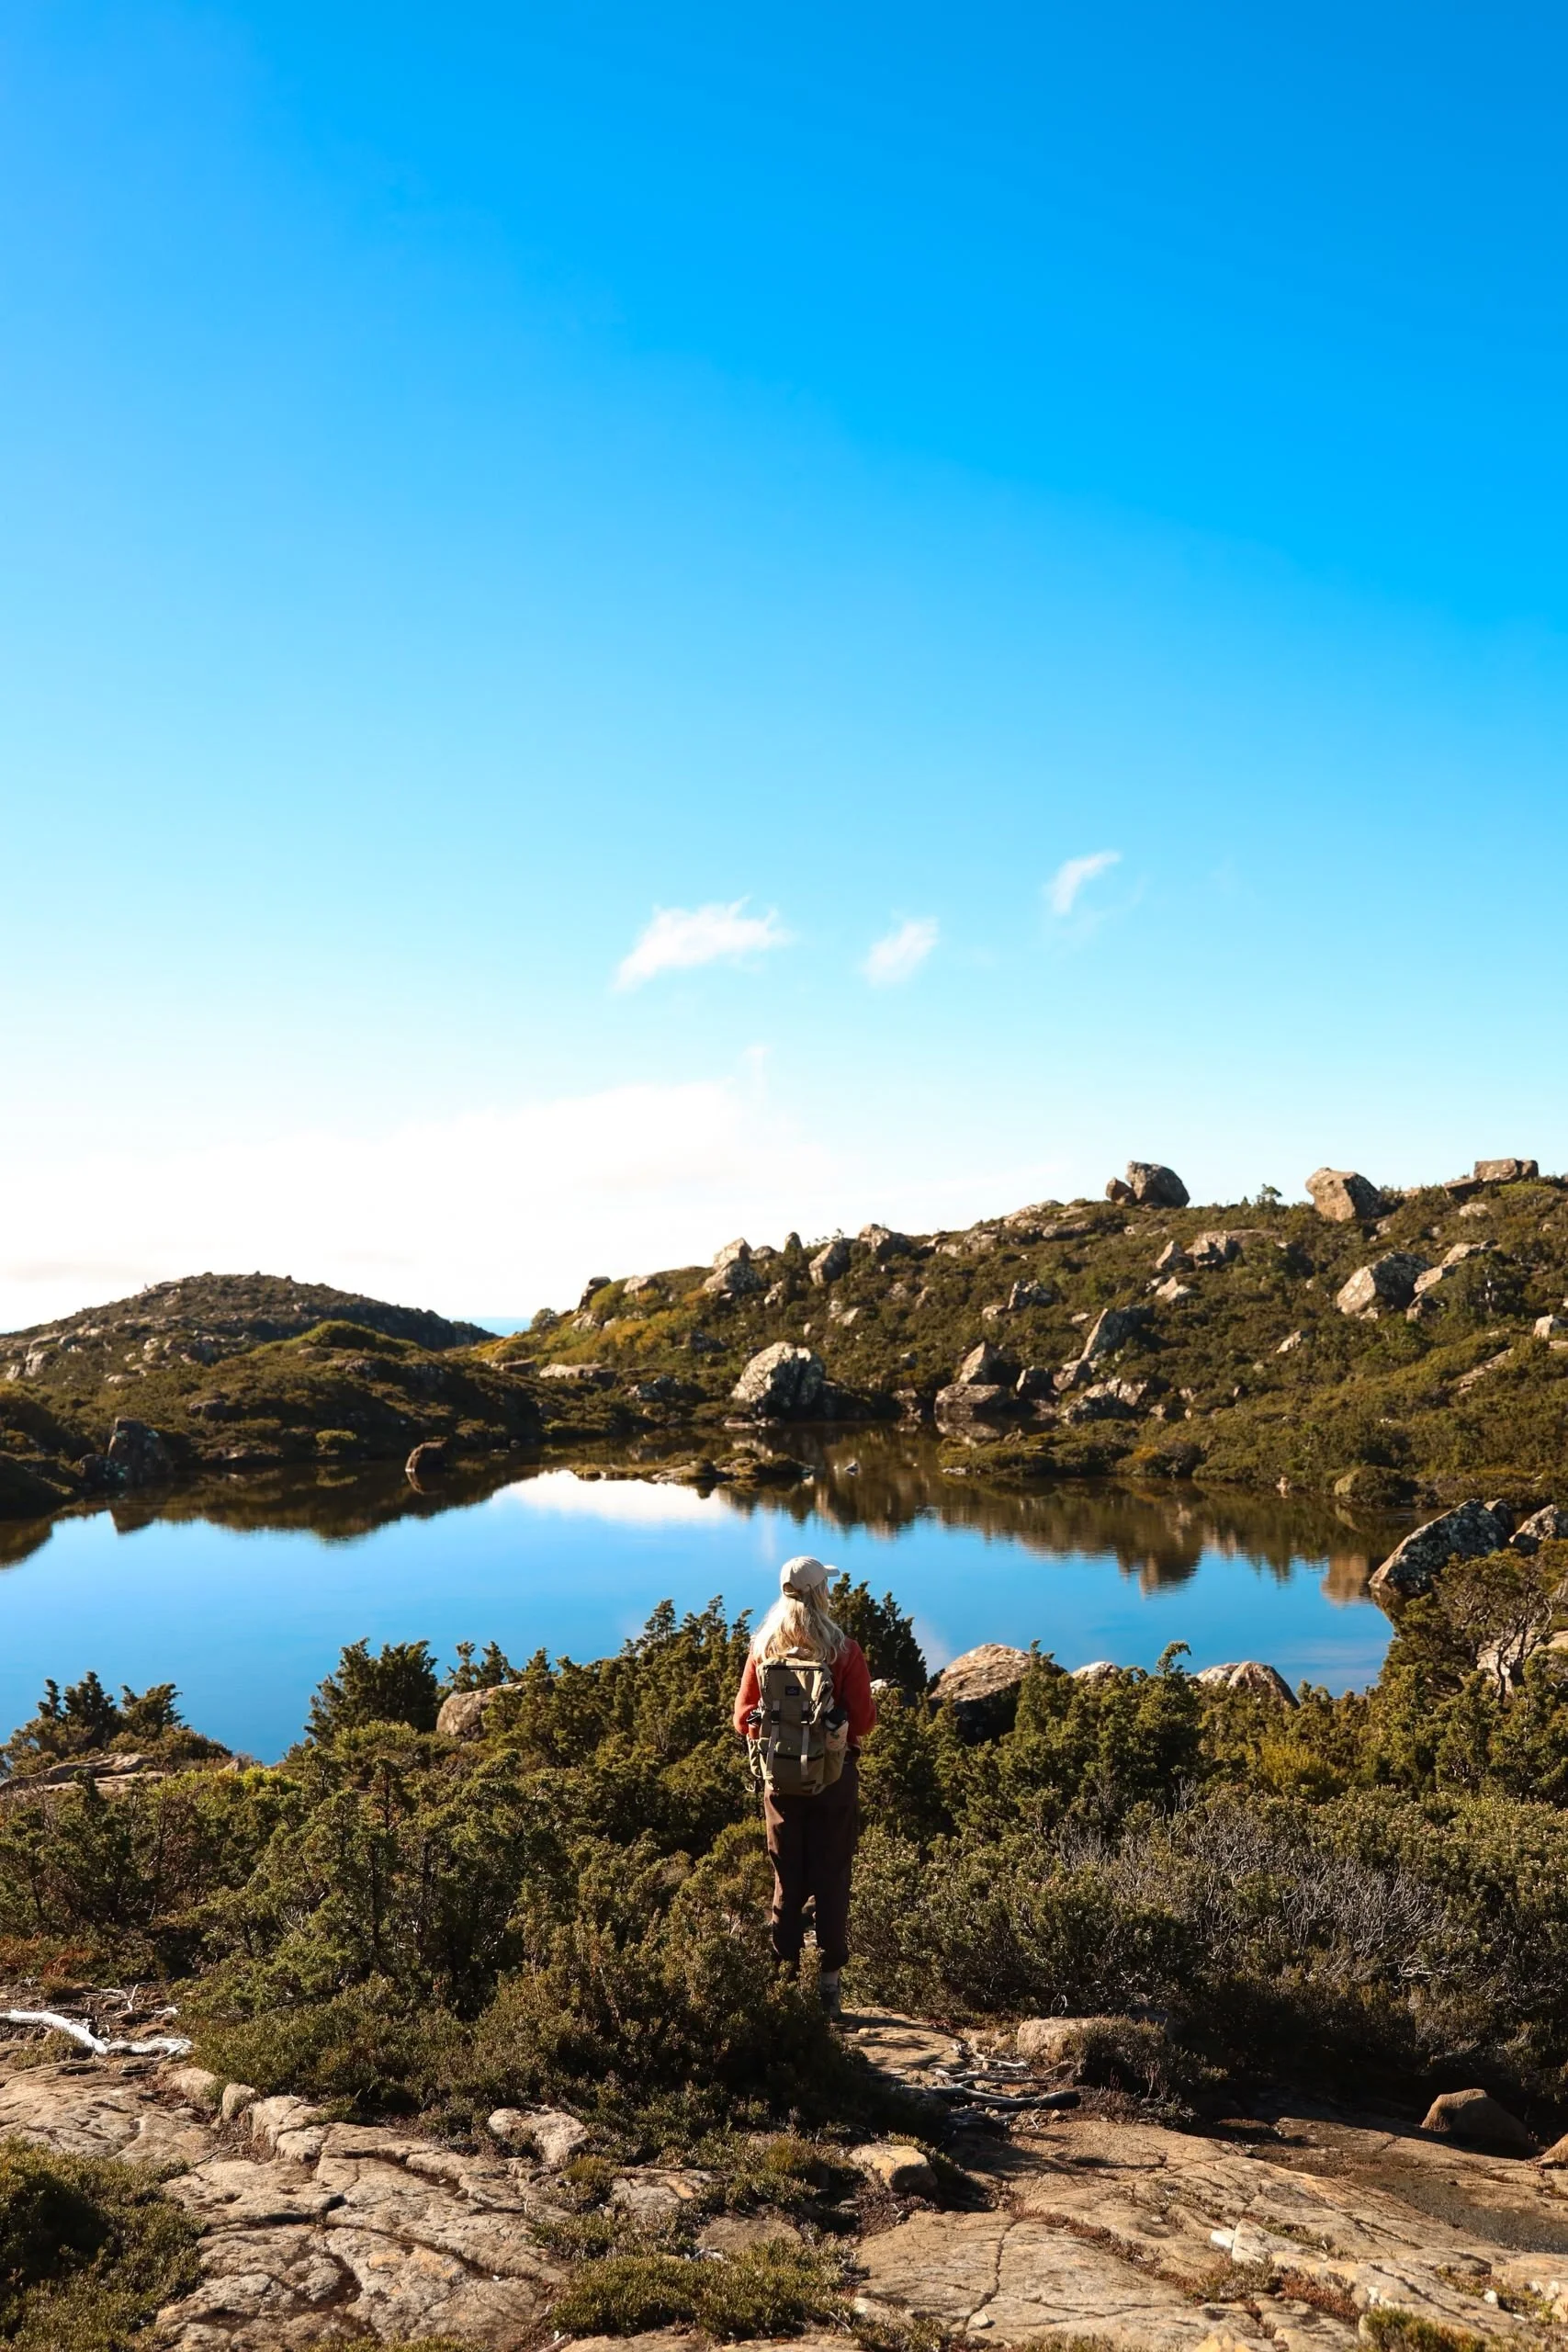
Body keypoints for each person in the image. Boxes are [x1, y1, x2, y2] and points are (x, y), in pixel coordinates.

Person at [732, 1554, 877, 2014]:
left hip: (780, 1784)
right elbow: (866, 1722)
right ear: (820, 1593)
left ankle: (785, 1985)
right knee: (832, 1879)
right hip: (834, 1779)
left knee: (787, 1880)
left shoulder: (763, 1648)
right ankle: (829, 1987)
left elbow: (742, 1720)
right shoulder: (844, 1650)